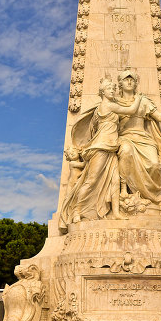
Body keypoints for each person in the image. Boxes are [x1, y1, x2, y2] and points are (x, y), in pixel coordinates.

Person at [59, 78, 142, 230]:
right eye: (109, 88)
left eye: (113, 88)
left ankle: (116, 212)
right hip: (101, 148)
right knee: (91, 180)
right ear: (102, 92)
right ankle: (76, 210)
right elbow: (130, 110)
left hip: (111, 148)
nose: (113, 90)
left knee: (115, 181)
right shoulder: (107, 105)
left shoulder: (107, 108)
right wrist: (138, 99)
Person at [115, 68, 161, 221]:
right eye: (126, 79)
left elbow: (158, 115)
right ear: (120, 84)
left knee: (155, 164)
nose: (129, 81)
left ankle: (155, 197)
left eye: (132, 79)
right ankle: (123, 190)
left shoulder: (143, 100)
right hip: (125, 138)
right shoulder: (115, 102)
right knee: (126, 151)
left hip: (144, 139)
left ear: (135, 83)